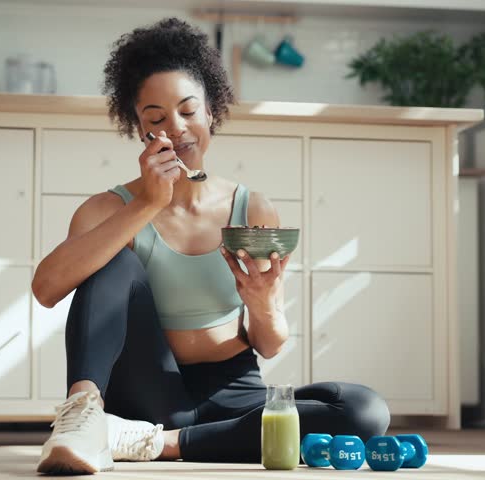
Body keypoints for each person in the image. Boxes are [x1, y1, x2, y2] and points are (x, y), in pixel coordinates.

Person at [31, 17, 390, 475]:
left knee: (363, 410)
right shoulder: (108, 210)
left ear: (212, 111)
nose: (177, 129)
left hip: (233, 389)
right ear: (139, 130)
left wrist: (262, 304)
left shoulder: (252, 208)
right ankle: (83, 419)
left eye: (188, 110)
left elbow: (270, 343)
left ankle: (148, 443)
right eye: (156, 119)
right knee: (111, 260)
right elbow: (46, 289)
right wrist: (146, 202)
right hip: (146, 392)